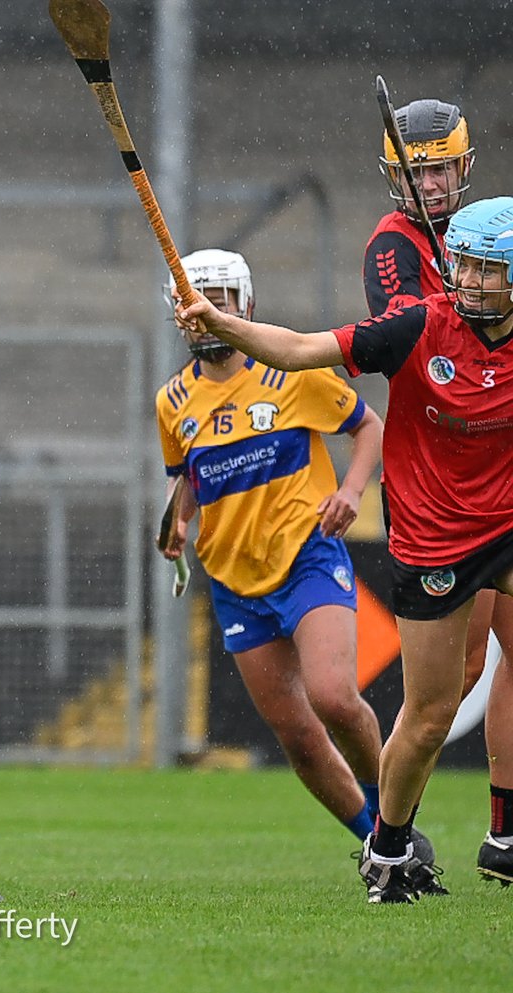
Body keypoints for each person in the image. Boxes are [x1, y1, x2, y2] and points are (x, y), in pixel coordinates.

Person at [177, 196, 513, 903]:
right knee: (426, 716)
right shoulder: (418, 323)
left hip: (500, 524)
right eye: (467, 267)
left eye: (487, 271)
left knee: (363, 695)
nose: (469, 281)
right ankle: (388, 845)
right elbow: (302, 350)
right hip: (434, 537)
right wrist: (222, 323)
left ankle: (502, 835)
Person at [157, 249, 393, 856]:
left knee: (335, 698)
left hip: (308, 557)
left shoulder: (289, 371)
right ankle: (378, 843)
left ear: (247, 306)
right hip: (236, 581)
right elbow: (189, 477)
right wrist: (178, 520)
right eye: (195, 302)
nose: (209, 313)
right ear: (179, 315)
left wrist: (349, 490)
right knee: (298, 736)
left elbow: (368, 427)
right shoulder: (172, 403)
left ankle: (396, 820)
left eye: (223, 300)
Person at [364, 100, 513, 885]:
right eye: (415, 170)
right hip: (439, 484)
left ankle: (505, 835)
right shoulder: (394, 247)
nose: (428, 184)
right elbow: (400, 334)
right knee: (450, 679)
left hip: (502, 477)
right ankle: (393, 835)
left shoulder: (495, 233)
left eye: (439, 168)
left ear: (464, 165)